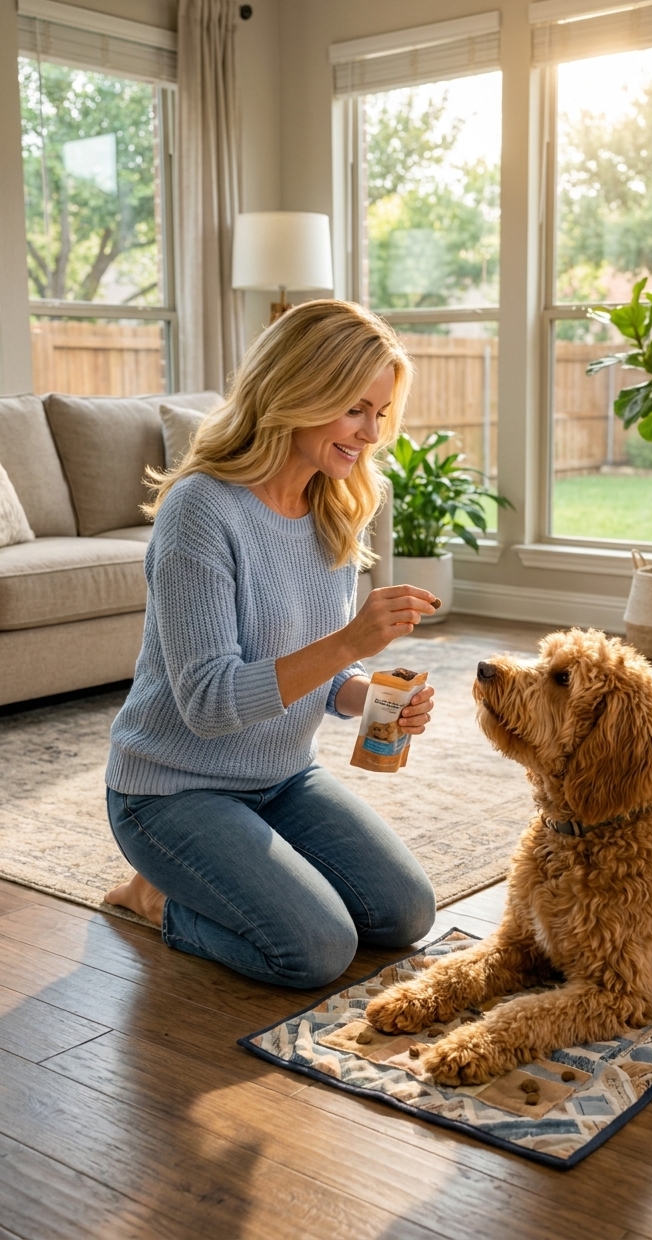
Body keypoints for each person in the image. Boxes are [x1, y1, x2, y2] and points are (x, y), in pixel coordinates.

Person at [104, 300, 438, 987]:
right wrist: (350, 642)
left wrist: (368, 695)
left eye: (379, 413)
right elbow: (209, 703)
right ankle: (155, 895)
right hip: (171, 790)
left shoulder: (336, 506)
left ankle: (252, 872)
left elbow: (311, 679)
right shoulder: (202, 508)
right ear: (298, 390)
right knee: (316, 950)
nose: (370, 433)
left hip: (282, 777)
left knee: (405, 914)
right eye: (355, 409)